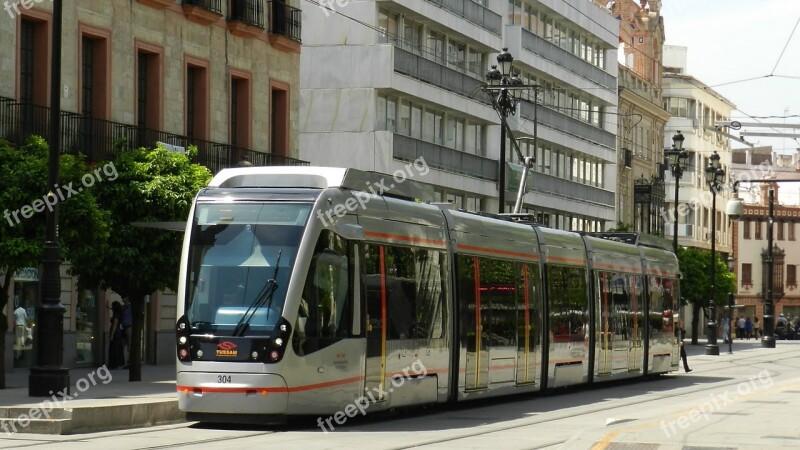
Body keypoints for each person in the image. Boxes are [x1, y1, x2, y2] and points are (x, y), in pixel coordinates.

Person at [108, 301, 126, 369]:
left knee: (114, 348)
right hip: (118, 332)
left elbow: (114, 325)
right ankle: (118, 363)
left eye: (112, 306)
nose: (112, 307)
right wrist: (108, 307)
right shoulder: (119, 313)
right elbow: (112, 309)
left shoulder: (116, 315)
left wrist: (112, 334)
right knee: (118, 348)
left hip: (115, 332)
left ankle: (114, 364)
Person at [121, 296, 133, 368]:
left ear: (128, 299)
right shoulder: (124, 307)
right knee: (123, 344)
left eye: (124, 297)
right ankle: (124, 361)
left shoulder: (131, 307)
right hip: (124, 327)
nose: (123, 299)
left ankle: (130, 362)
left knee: (130, 345)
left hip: (129, 327)